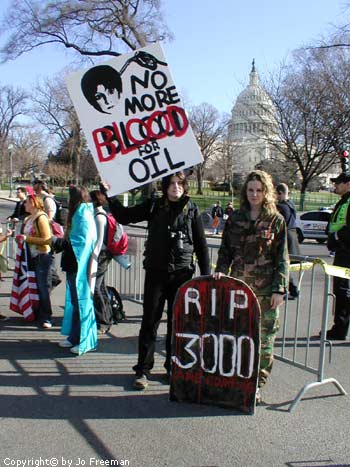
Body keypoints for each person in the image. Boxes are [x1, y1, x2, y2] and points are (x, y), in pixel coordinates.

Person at [101, 171, 210, 390]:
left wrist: (206, 277)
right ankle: (143, 369)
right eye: (171, 183)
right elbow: (124, 216)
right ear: (165, 186)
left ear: (185, 186)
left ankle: (173, 366)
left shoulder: (192, 210)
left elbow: (201, 244)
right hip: (156, 272)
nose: (175, 187)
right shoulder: (153, 206)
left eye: (180, 183)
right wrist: (110, 194)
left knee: (176, 323)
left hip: (182, 274)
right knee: (149, 322)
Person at [213, 170, 289, 403]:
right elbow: (225, 249)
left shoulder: (276, 220)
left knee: (264, 340)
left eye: (259, 190)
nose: (254, 194)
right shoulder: (235, 218)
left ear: (266, 192)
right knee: (237, 336)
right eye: (250, 190)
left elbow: (282, 258)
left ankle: (257, 382)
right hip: (238, 289)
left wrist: (279, 289)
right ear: (245, 192)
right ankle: (237, 379)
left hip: (266, 292)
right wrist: (220, 271)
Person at [53, 186, 98, 355]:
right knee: (75, 302)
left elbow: (81, 241)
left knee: (81, 302)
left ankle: (84, 339)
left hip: (79, 265)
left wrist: (57, 242)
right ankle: (75, 336)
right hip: (74, 263)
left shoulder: (82, 214)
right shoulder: (82, 213)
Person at [15, 194, 54, 328]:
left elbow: (47, 239)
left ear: (33, 203)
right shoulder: (28, 218)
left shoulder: (41, 218)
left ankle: (46, 317)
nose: (24, 205)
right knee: (35, 286)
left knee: (43, 287)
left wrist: (27, 239)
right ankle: (36, 312)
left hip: (42, 256)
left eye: (26, 202)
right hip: (31, 256)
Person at [324, 172, 350, 340]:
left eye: (338, 183)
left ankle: (340, 328)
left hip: (346, 251)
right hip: (342, 250)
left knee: (342, 290)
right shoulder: (345, 201)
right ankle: (339, 327)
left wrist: (336, 237)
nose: (335, 186)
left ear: (348, 184)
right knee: (341, 290)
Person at [90, 189, 113, 334]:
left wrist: (93, 257)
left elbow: (99, 241)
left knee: (97, 288)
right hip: (101, 254)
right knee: (101, 287)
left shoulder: (99, 216)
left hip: (101, 255)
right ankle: (107, 317)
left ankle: (103, 322)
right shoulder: (97, 214)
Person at [32, 179, 61, 288]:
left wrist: (41, 225)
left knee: (48, 255)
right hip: (39, 232)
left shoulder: (47, 199)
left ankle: (52, 279)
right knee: (45, 256)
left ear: (40, 185)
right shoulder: (37, 197)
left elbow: (50, 217)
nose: (33, 185)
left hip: (48, 233)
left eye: (34, 183)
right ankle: (50, 278)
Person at [276, 183, 300, 299]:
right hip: (292, 235)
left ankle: (290, 289)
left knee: (283, 264)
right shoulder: (291, 205)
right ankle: (292, 289)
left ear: (280, 193)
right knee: (286, 265)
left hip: (286, 236)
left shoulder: (281, 207)